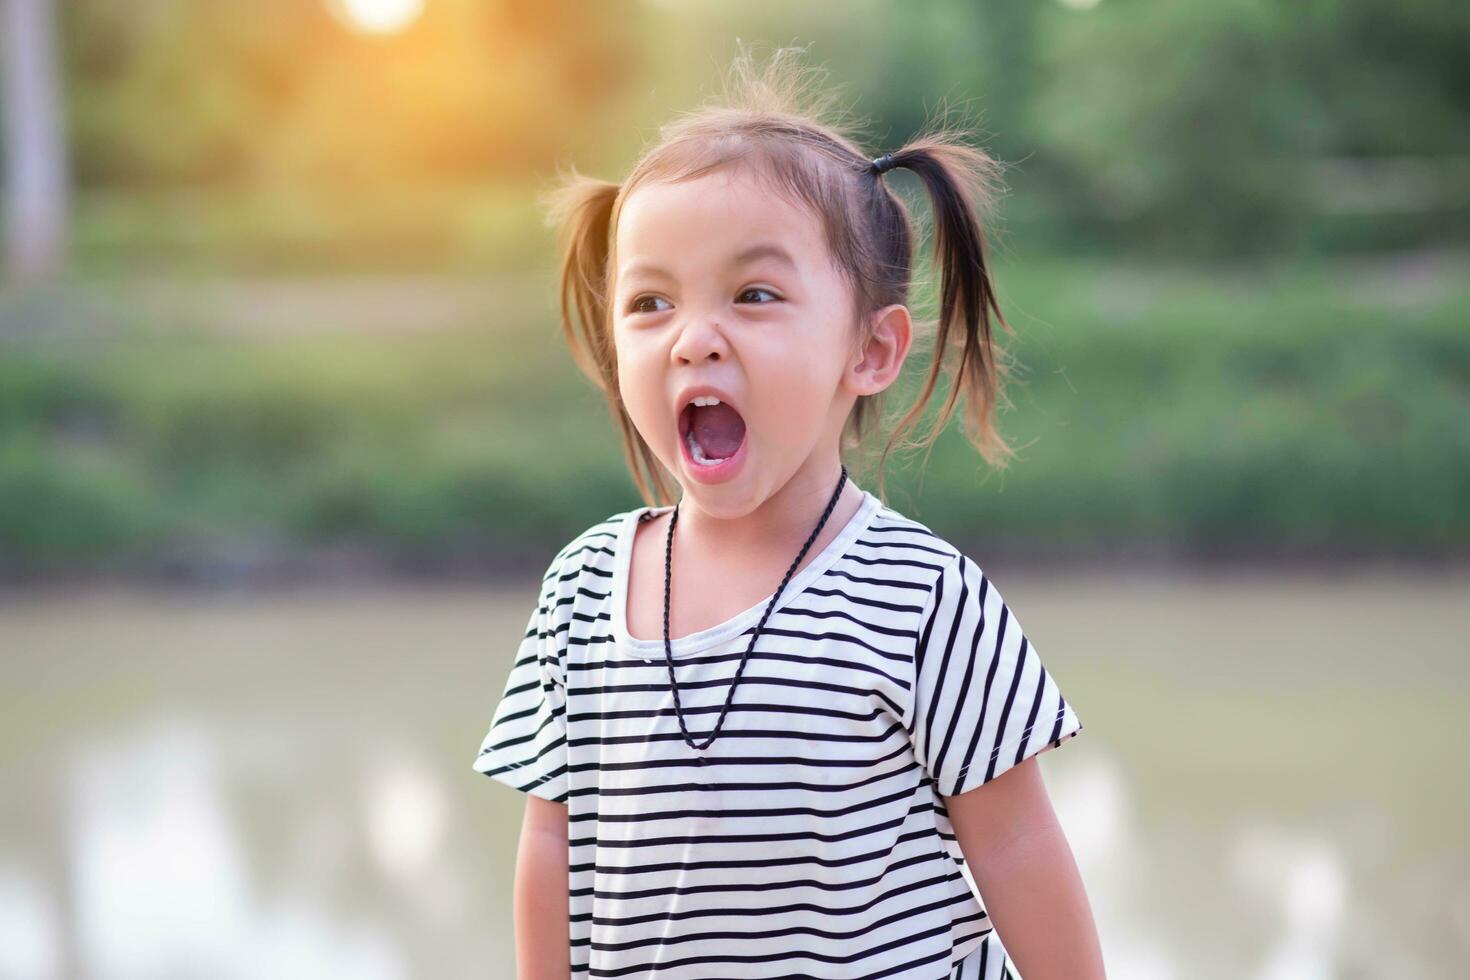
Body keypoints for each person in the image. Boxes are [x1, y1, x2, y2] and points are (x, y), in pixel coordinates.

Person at [472, 44, 1105, 980]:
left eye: (754, 295)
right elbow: (551, 847)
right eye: (650, 302)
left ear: (872, 348)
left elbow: (1017, 850)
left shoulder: (924, 599)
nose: (694, 340)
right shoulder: (582, 590)